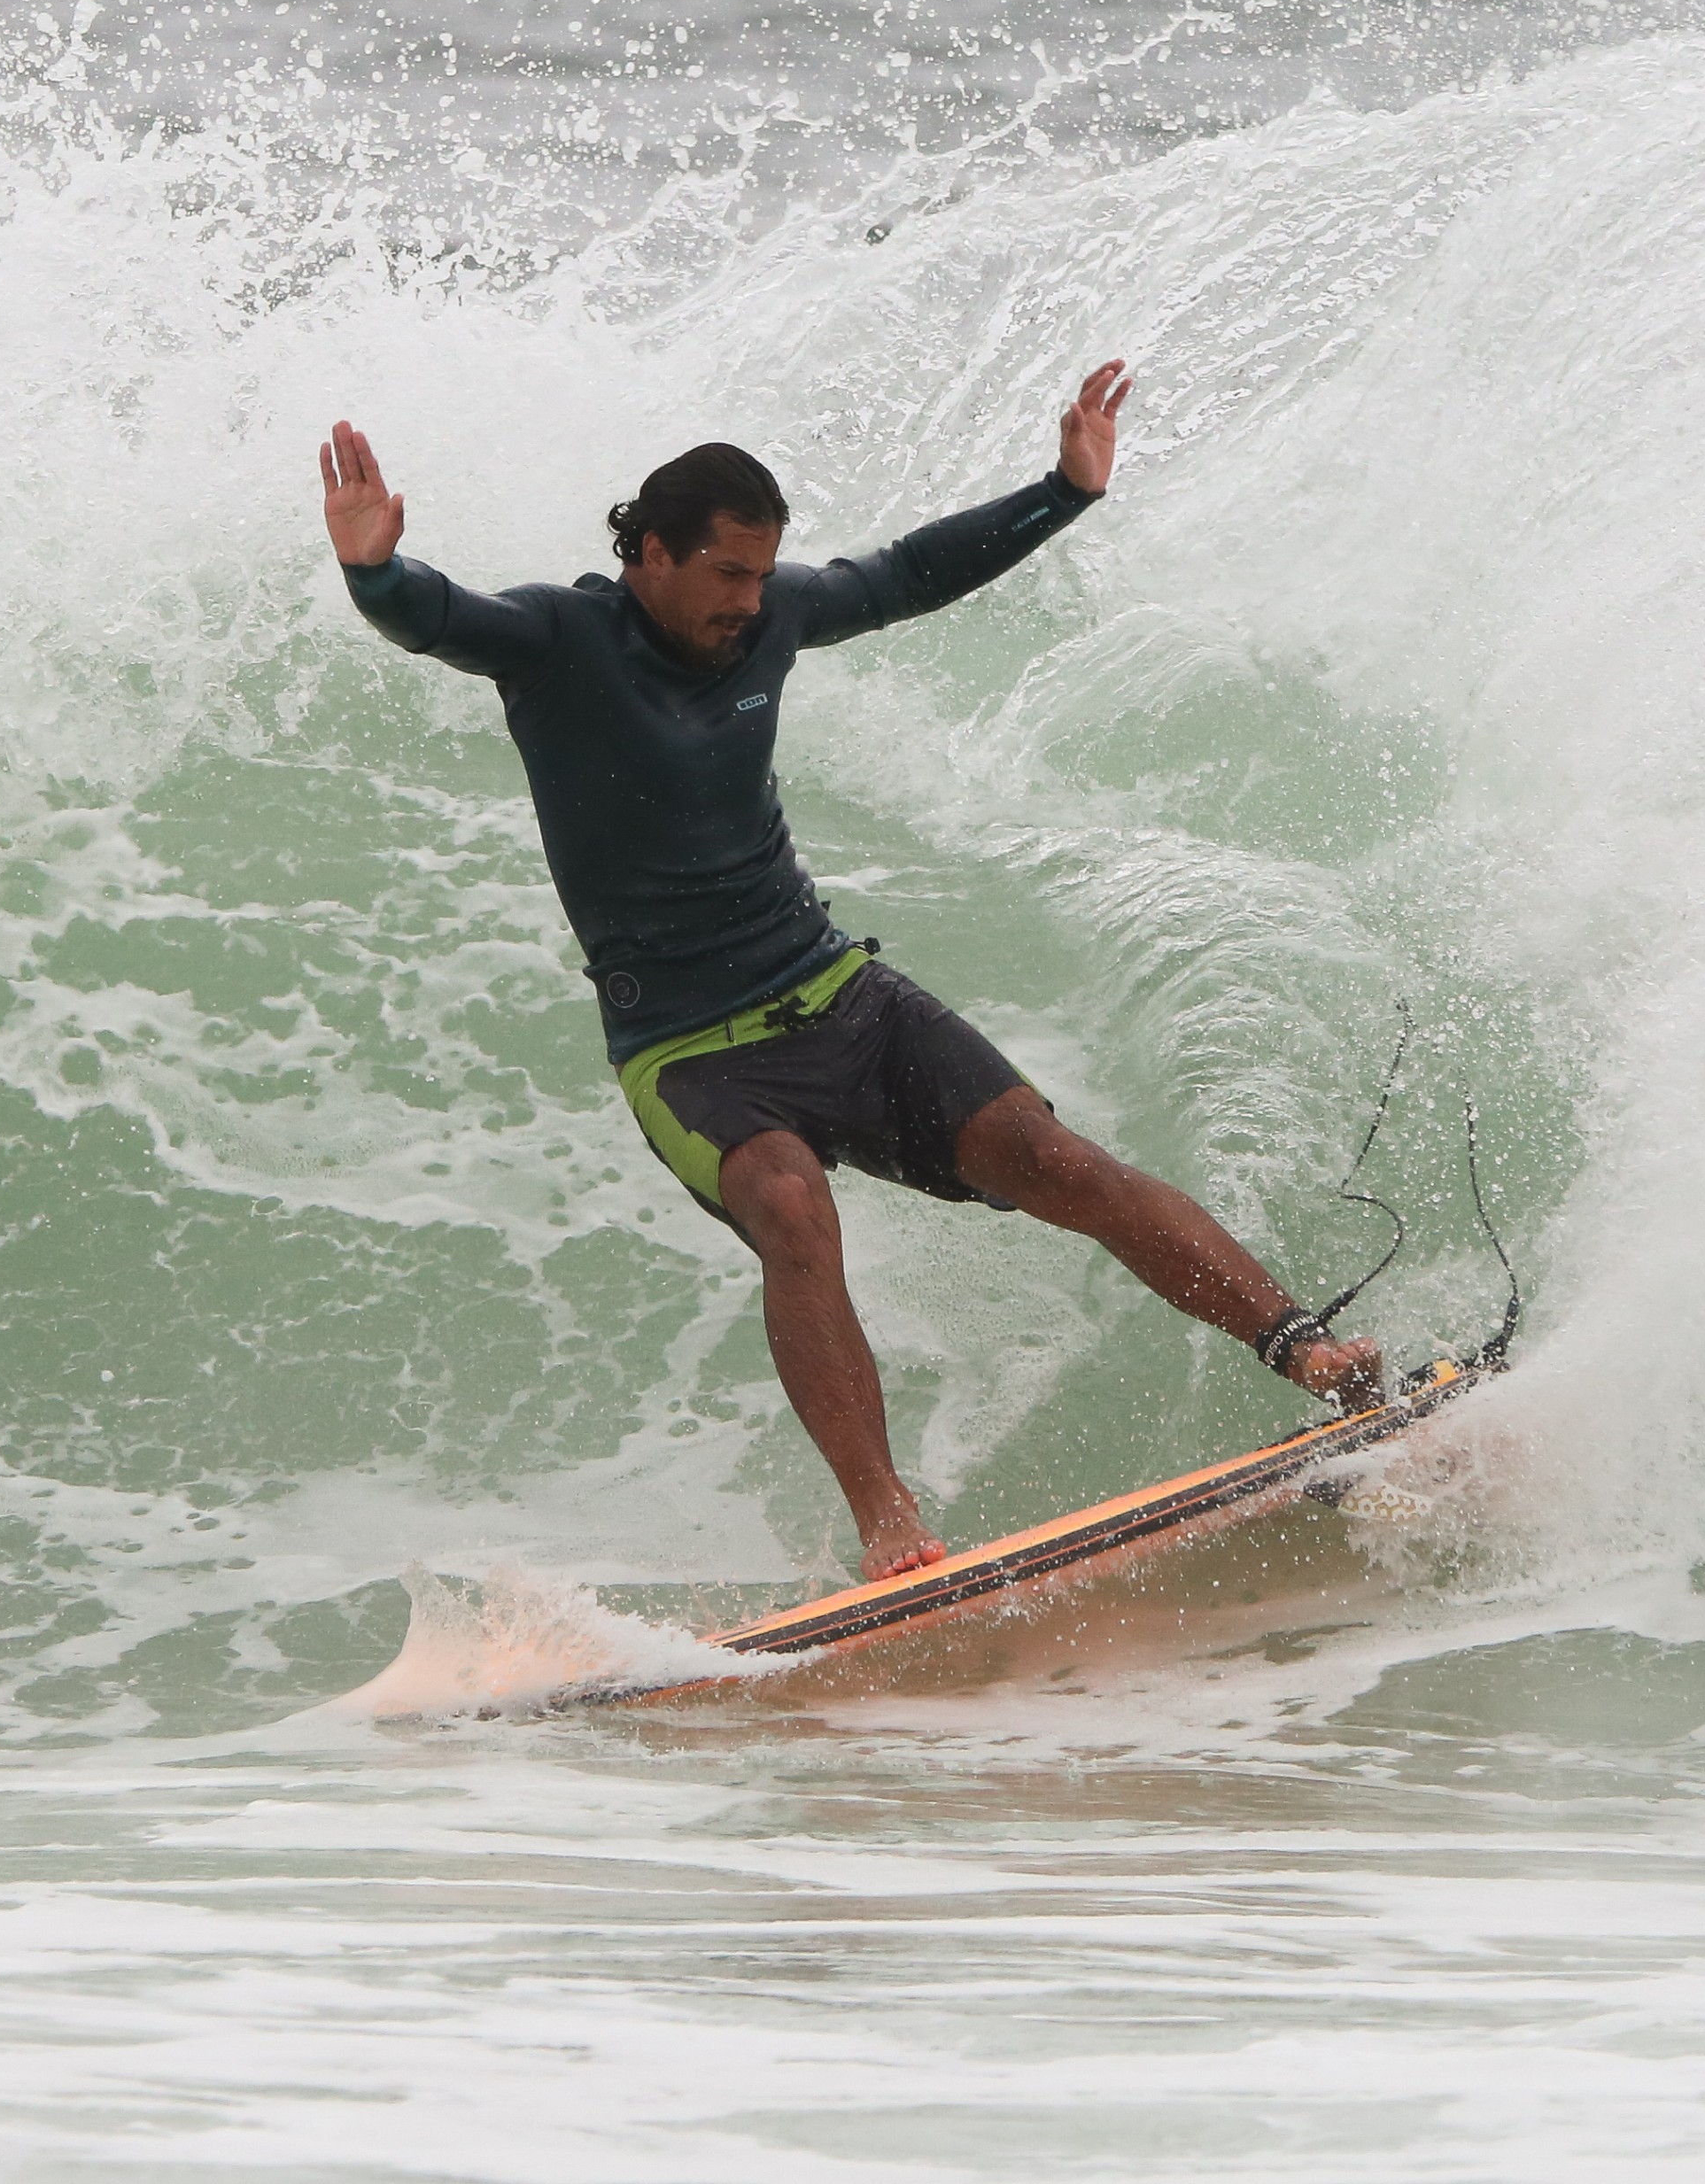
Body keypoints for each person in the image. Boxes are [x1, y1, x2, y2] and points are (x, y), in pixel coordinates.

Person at [319, 365, 1383, 1583]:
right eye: (724, 573)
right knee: (787, 1209)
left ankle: (1311, 1353)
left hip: (833, 990)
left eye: (761, 575)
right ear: (649, 555)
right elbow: (434, 616)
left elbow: (904, 576)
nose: (747, 601)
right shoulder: (557, 640)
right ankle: (889, 1528)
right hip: (687, 1048)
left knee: (1057, 1163)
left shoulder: (766, 618)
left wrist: (1063, 492)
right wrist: (372, 574)